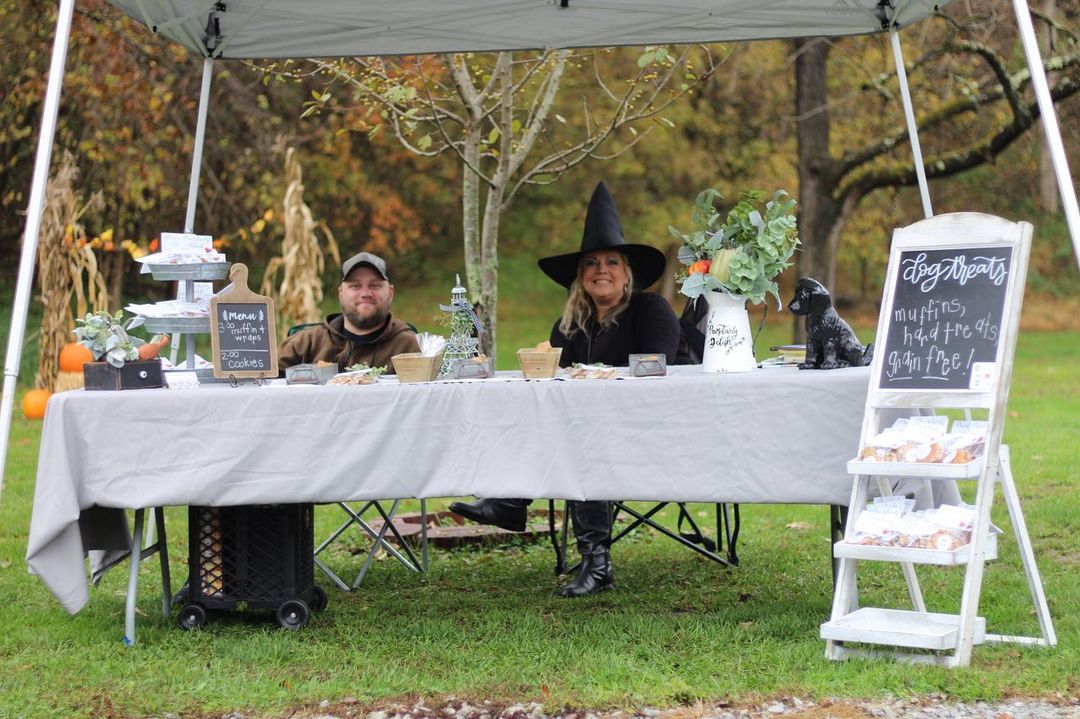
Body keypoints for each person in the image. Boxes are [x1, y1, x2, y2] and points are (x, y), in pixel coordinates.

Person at [450, 181, 679, 598]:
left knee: (578, 436)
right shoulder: (567, 326)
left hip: (645, 428)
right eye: (591, 263)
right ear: (580, 276)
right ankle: (516, 505)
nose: (601, 270)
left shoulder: (651, 310)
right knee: (536, 410)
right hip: (582, 431)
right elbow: (553, 382)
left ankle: (531, 516)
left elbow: (657, 369)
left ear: (627, 273)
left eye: (612, 261)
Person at [278, 251, 420, 373]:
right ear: (341, 293)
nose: (365, 293)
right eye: (355, 286)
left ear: (390, 292)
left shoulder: (410, 347)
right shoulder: (306, 343)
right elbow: (261, 381)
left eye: (375, 285)